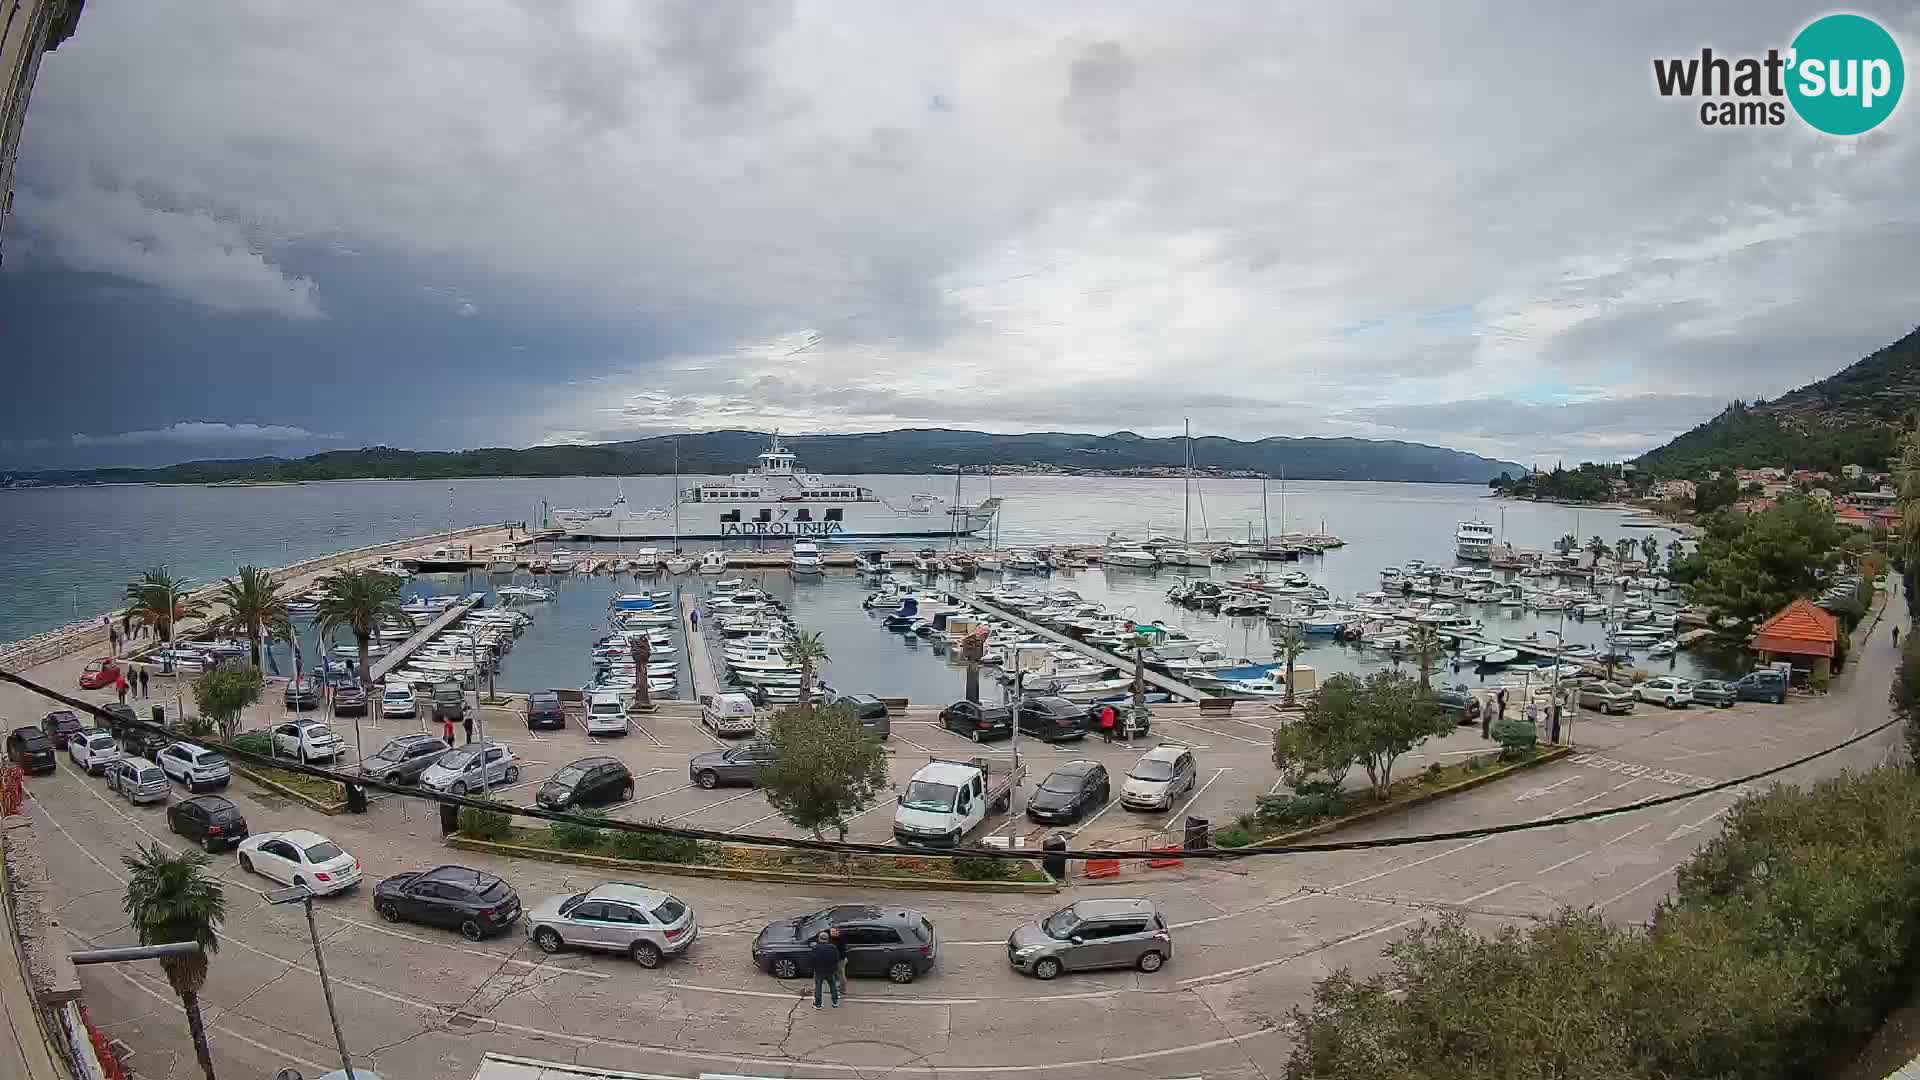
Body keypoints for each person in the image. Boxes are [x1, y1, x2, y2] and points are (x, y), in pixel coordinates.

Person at [810, 931, 842, 1008]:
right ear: (828, 939)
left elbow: (812, 959)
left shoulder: (815, 948)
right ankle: (835, 1002)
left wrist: (812, 968)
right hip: (830, 971)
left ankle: (818, 1004)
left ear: (819, 939)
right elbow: (836, 959)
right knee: (833, 986)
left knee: (818, 988)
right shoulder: (833, 947)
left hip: (819, 971)